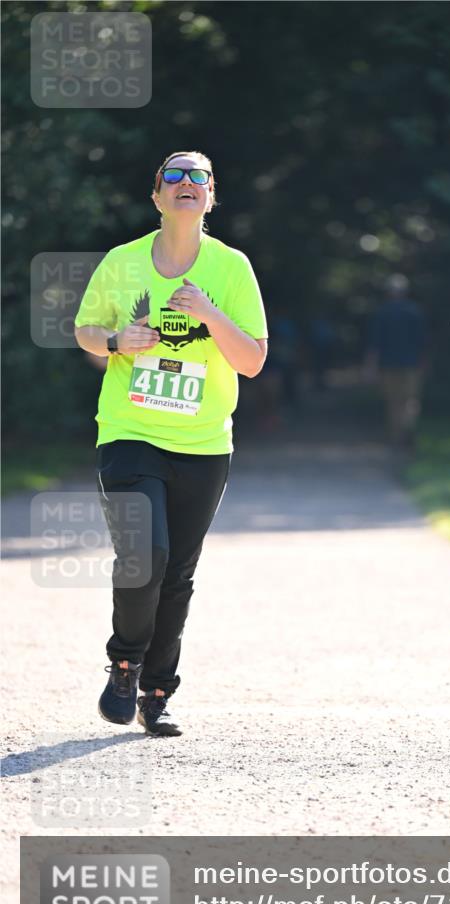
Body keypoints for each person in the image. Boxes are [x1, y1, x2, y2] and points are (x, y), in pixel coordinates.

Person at [74, 150, 268, 736]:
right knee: (144, 556)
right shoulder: (122, 262)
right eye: (175, 176)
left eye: (199, 177)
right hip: (131, 432)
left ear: (211, 197)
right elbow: (84, 331)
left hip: (204, 442)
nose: (187, 184)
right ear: (156, 196)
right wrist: (113, 340)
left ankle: (157, 690)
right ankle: (125, 663)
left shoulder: (231, 268)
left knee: (177, 572)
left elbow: (253, 361)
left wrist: (209, 313)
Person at [365, 274, 428, 449]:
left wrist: (370, 367)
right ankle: (408, 428)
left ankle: (396, 436)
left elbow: (375, 344)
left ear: (389, 292)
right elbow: (422, 342)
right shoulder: (415, 311)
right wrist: (424, 363)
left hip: (388, 364)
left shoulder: (382, 312)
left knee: (393, 401)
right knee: (411, 400)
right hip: (412, 364)